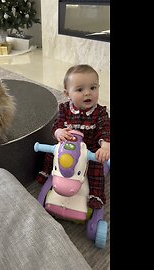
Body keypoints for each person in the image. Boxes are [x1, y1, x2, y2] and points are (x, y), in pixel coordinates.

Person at [36, 64, 110, 209]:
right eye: (80, 89)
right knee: (52, 153)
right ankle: (47, 172)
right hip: (67, 145)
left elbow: (105, 129)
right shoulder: (64, 109)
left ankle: (96, 195)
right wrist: (58, 132)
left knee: (96, 169)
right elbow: (56, 125)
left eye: (93, 88)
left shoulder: (100, 113)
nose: (87, 93)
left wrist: (105, 146)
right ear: (67, 93)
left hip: (90, 149)